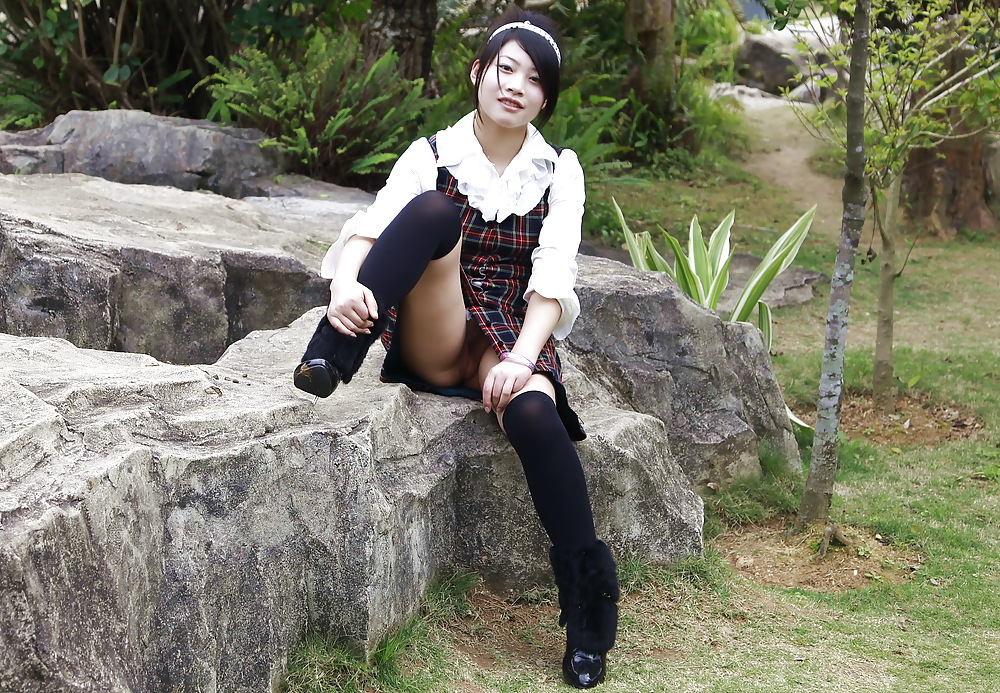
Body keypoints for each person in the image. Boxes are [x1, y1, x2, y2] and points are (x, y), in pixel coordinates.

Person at [293, 7, 619, 689]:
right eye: (506, 68)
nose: (515, 86)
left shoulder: (559, 171)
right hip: (436, 323)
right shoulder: (433, 154)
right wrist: (345, 283)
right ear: (479, 72)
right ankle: (333, 350)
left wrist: (523, 359)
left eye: (534, 79)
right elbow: (374, 225)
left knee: (535, 414)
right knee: (433, 211)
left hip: (509, 333)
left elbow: (554, 276)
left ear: (545, 99)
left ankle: (588, 608)